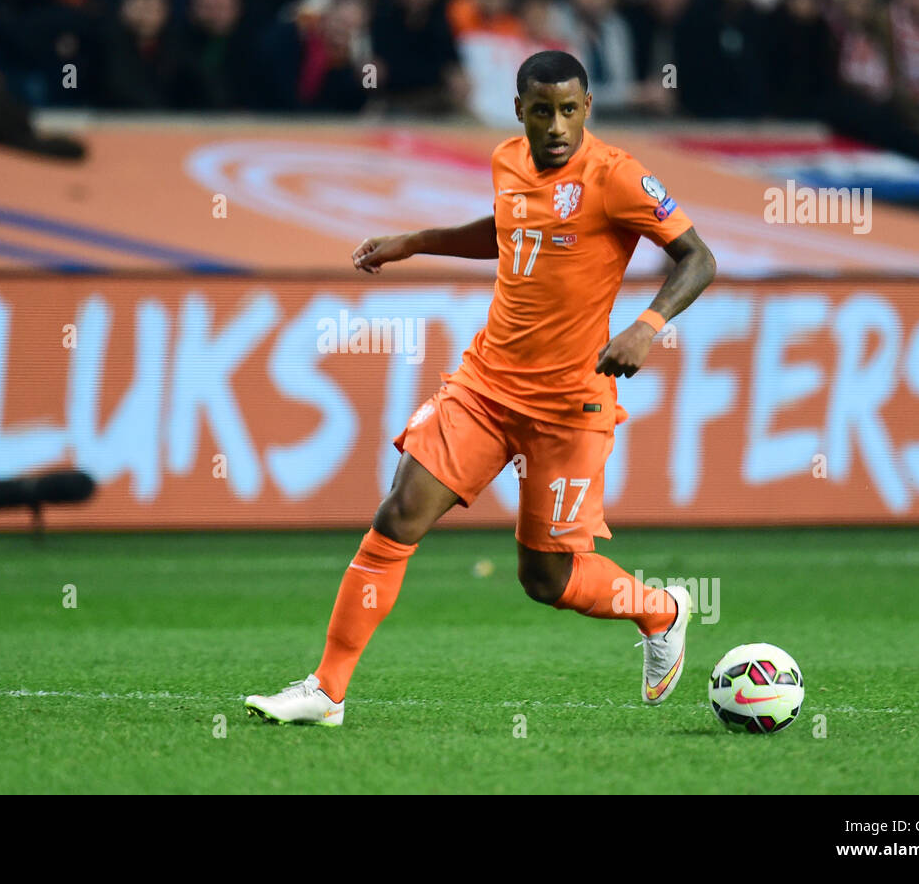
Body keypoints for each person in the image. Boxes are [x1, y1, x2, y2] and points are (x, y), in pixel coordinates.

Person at [245, 50, 717, 727]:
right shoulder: (506, 161)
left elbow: (699, 257)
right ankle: (327, 690)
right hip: (487, 384)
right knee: (400, 511)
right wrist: (417, 241)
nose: (556, 125)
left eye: (570, 110)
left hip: (570, 404)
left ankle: (660, 609)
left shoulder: (618, 178)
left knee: (546, 578)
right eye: (542, 110)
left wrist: (646, 326)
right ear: (519, 110)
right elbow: (506, 231)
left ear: (587, 109)